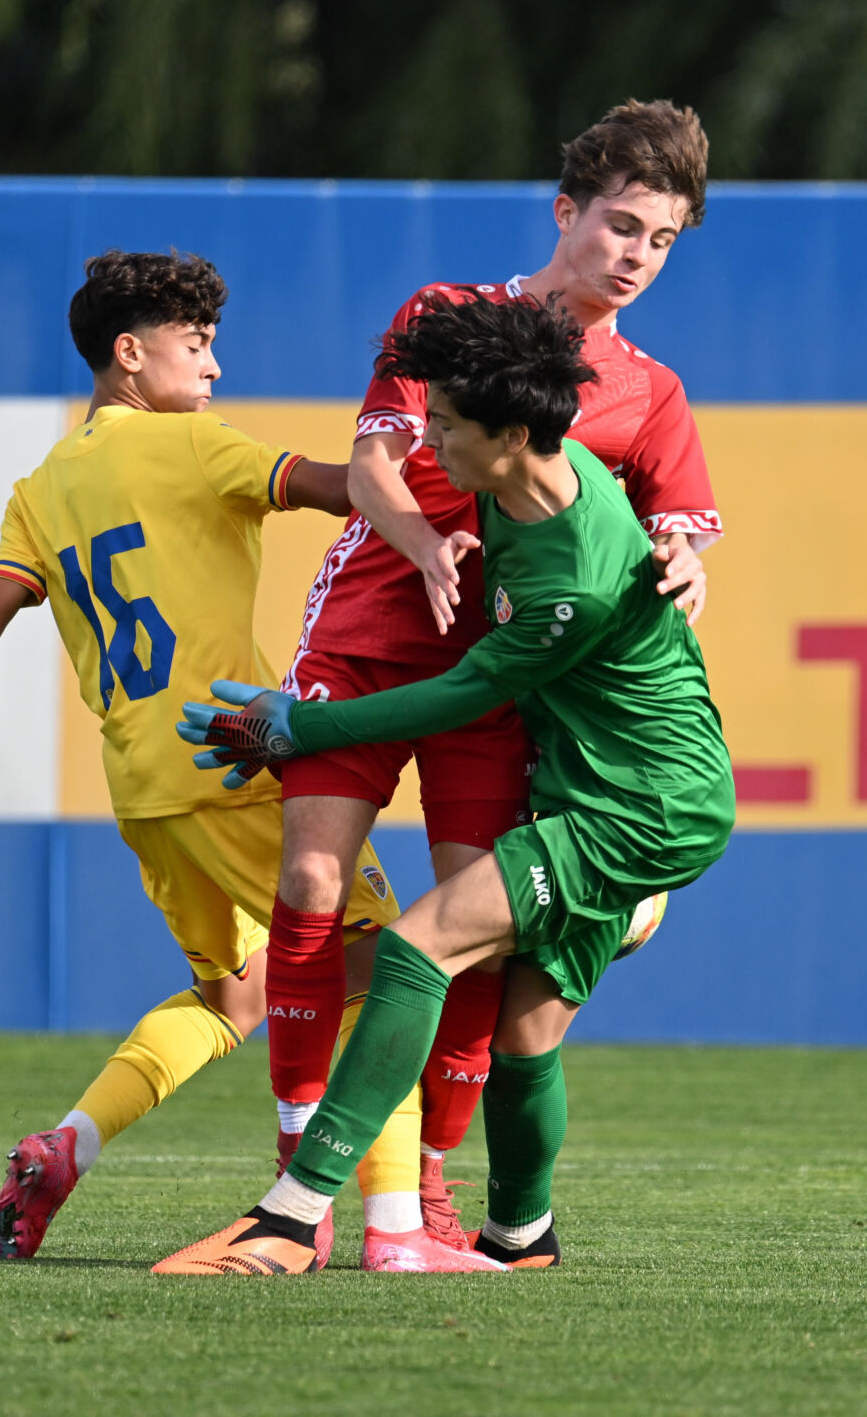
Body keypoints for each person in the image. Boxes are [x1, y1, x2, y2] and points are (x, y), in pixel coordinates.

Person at [157, 293, 735, 1275]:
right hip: (605, 790)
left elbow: (461, 694)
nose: (429, 442)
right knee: (524, 1036)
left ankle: (292, 1216)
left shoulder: (571, 580)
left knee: (418, 948)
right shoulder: (528, 484)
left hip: (636, 810)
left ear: (511, 436)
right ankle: (523, 1237)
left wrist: (297, 727)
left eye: (449, 427)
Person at [0, 249, 444, 1269]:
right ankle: (396, 1230)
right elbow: (351, 490)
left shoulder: (41, 489)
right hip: (237, 759)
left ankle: (67, 1145)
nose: (213, 367)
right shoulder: (197, 445)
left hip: (144, 789)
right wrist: (455, 471)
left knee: (236, 997)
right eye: (196, 345)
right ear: (129, 353)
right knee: (384, 972)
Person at [268, 98, 723, 1251]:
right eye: (621, 225)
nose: (637, 255)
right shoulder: (447, 317)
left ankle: (423, 1185)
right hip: (376, 629)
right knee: (314, 884)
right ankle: (296, 1170)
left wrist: (686, 562)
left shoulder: (650, 392)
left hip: (498, 675)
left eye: (663, 240)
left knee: (475, 927)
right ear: (566, 212)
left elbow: (673, 540)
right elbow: (373, 462)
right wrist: (423, 542)